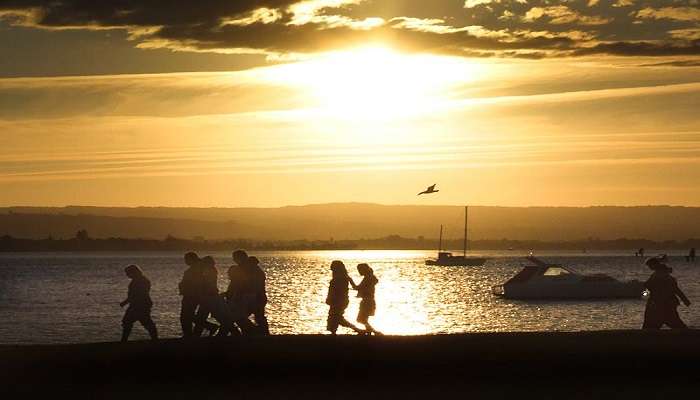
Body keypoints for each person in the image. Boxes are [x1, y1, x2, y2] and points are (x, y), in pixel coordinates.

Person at [642, 257, 691, 330]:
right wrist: (685, 300)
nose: (649, 267)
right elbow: (676, 289)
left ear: (653, 265)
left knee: (672, 322)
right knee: (675, 323)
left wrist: (685, 300)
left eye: (649, 266)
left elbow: (675, 289)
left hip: (661, 304)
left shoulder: (660, 274)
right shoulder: (662, 273)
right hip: (663, 303)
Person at [120, 265, 158, 342]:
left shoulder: (140, 281)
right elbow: (134, 295)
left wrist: (125, 302)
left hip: (139, 305)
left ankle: (124, 340)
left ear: (133, 272)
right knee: (144, 321)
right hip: (140, 304)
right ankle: (155, 338)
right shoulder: (142, 280)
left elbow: (136, 295)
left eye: (128, 273)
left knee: (129, 321)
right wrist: (126, 302)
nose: (127, 275)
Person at [326, 260, 363, 335]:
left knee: (336, 317)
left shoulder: (340, 279)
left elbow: (337, 291)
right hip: (340, 301)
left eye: (333, 268)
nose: (332, 270)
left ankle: (356, 329)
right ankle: (334, 332)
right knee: (336, 317)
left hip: (339, 301)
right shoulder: (343, 278)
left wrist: (331, 299)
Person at [193, 255, 222, 337]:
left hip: (209, 297)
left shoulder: (209, 271)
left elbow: (208, 284)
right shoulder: (211, 270)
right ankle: (197, 334)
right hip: (210, 296)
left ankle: (210, 328)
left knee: (200, 317)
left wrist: (203, 295)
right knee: (201, 316)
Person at [352, 263, 381, 335]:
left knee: (360, 319)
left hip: (367, 301)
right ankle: (369, 331)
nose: (359, 272)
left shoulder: (368, 278)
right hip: (369, 301)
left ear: (363, 270)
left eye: (359, 270)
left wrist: (350, 280)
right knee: (363, 319)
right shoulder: (370, 277)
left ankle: (374, 331)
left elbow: (357, 288)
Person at [178, 252, 201, 338]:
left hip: (191, 296)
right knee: (188, 315)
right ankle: (188, 334)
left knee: (185, 316)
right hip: (190, 295)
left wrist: (183, 286)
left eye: (186, 259)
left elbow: (194, 283)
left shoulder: (195, 269)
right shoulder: (195, 269)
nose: (185, 261)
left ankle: (188, 335)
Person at [245, 256, 270, 335]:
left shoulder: (256, 272)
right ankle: (262, 332)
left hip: (259, 297)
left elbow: (256, 286)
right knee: (259, 316)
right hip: (259, 297)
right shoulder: (257, 271)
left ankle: (261, 332)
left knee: (258, 316)